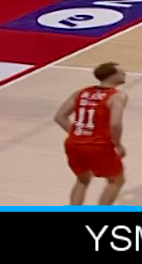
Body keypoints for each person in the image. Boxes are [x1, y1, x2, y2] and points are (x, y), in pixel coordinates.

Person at [54, 62, 127, 206]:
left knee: (82, 180)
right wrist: (118, 145)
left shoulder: (81, 92)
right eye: (121, 72)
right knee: (116, 181)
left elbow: (60, 117)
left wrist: (78, 134)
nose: (124, 74)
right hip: (98, 145)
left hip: (73, 144)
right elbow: (115, 124)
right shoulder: (117, 96)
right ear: (111, 76)